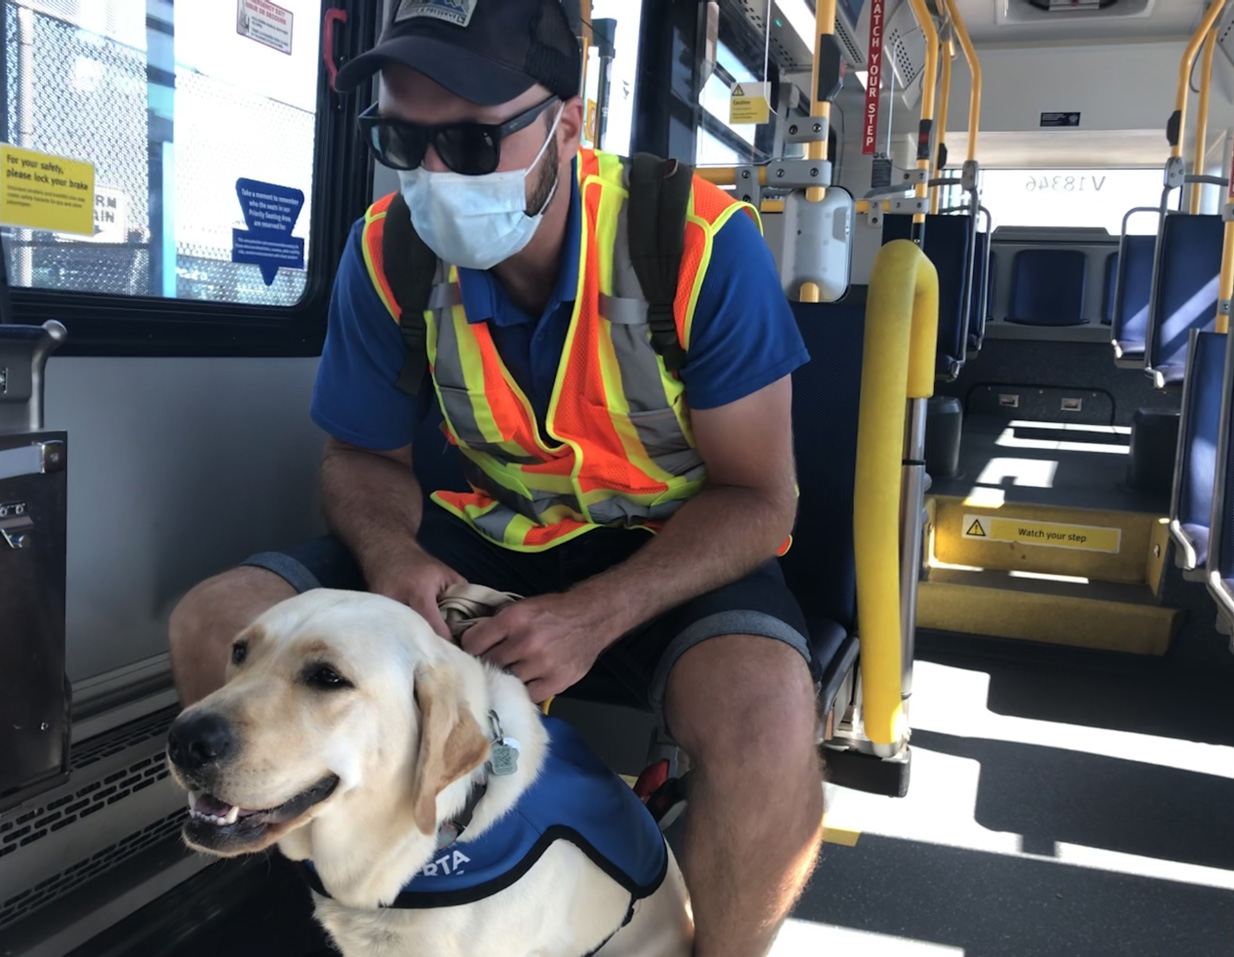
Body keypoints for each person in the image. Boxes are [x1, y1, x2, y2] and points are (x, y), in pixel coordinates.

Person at [168, 1, 823, 954]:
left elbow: (764, 500)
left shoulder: (696, 245)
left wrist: (597, 612)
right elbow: (359, 456)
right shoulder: (385, 253)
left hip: (668, 547)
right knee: (210, 619)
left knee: (765, 720)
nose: (432, 175)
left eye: (472, 144)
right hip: (484, 536)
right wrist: (391, 557)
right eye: (403, 139)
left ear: (564, 124)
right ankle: (354, 901)